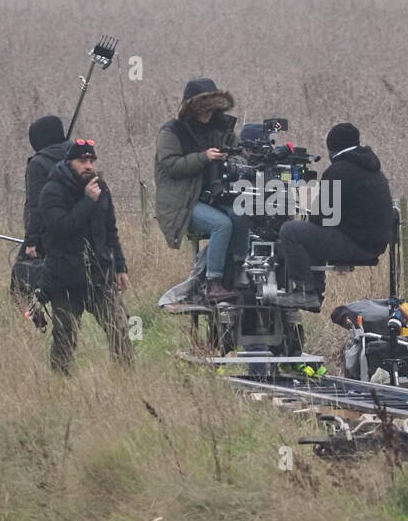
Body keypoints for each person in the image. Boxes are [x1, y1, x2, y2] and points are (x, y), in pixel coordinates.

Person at [37, 139, 133, 373]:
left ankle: (127, 381)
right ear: (69, 163)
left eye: (91, 161)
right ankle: (61, 386)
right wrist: (87, 201)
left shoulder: (101, 187)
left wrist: (120, 267)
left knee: (119, 328)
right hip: (65, 278)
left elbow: (111, 230)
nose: (88, 166)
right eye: (82, 161)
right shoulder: (52, 191)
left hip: (99, 275)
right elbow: (62, 227)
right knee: (65, 336)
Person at [153, 78, 250, 302]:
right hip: (183, 201)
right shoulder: (172, 131)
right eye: (203, 109)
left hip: (216, 194)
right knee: (221, 224)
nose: (207, 114)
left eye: (212, 108)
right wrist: (204, 157)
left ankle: (239, 268)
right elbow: (170, 166)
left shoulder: (221, 128)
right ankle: (212, 282)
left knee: (242, 213)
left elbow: (241, 153)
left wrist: (236, 157)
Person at [277, 122, 393, 305]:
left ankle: (306, 292)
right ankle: (313, 293)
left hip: (356, 244)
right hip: (373, 244)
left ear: (332, 147)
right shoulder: (371, 167)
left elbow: (321, 216)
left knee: (291, 231)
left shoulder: (340, 170)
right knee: (310, 233)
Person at [13, 114, 70, 296]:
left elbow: (37, 205)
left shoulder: (38, 164)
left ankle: (34, 318)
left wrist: (31, 240)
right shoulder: (78, 156)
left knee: (22, 280)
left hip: (47, 233)